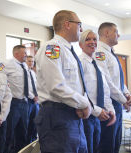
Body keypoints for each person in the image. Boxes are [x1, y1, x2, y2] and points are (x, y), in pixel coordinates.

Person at [35, 10, 92, 153]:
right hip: (57, 116)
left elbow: (76, 86)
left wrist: (83, 103)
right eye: (79, 24)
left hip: (73, 114)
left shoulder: (69, 51)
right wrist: (85, 103)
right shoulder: (52, 48)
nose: (81, 29)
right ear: (67, 24)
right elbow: (56, 86)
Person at [79, 29, 130, 153]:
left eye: (94, 39)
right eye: (88, 39)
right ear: (80, 44)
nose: (92, 42)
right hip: (87, 115)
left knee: (100, 147)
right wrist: (97, 110)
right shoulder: (80, 62)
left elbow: (105, 90)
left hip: (99, 115)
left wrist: (111, 110)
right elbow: (81, 93)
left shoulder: (95, 64)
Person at [95, 22, 131, 153]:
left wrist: (127, 94)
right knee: (107, 144)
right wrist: (124, 100)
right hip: (107, 104)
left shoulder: (111, 53)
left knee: (115, 143)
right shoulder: (100, 52)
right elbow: (106, 82)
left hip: (117, 103)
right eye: (116, 32)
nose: (119, 34)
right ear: (106, 33)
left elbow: (118, 80)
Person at [2, 45, 36, 153]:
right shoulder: (6, 64)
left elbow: (28, 84)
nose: (26, 55)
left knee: (23, 134)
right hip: (13, 103)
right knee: (9, 134)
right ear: (16, 54)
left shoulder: (25, 66)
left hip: (25, 103)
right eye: (24, 53)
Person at [26, 55, 39, 144]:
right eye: (29, 61)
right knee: (27, 124)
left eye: (32, 61)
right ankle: (26, 143)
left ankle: (33, 142)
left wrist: (37, 96)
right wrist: (33, 97)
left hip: (35, 102)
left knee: (35, 123)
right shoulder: (23, 73)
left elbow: (36, 86)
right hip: (28, 101)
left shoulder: (33, 73)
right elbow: (24, 88)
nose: (31, 63)